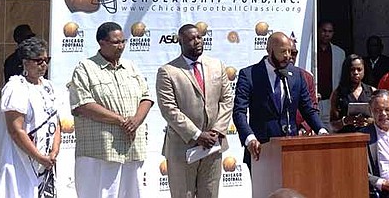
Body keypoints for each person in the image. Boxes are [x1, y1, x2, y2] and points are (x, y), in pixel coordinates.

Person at [68, 22, 154, 198]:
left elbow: (147, 97)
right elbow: (83, 105)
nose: (121, 46)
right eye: (116, 42)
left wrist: (136, 120)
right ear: (101, 42)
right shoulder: (85, 68)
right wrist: (121, 120)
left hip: (132, 149)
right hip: (100, 151)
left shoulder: (130, 67)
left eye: (123, 41)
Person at [156, 24, 234, 198]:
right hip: (182, 148)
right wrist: (197, 135)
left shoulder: (216, 65)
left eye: (199, 37)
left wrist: (216, 131)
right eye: (191, 39)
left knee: (210, 194)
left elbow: (227, 100)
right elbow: (169, 109)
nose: (197, 41)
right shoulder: (168, 72)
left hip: (213, 146)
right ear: (180, 41)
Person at [233, 32, 328, 170]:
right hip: (261, 149)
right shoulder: (249, 75)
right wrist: (250, 138)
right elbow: (239, 112)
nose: (288, 56)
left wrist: (321, 130)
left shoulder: (296, 75)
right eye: (283, 51)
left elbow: (308, 109)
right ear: (270, 50)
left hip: (291, 149)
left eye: (290, 51)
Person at [0, 37, 61, 198]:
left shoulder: (48, 86)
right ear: (25, 62)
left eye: (46, 60)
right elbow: (16, 130)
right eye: (38, 61)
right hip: (20, 157)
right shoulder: (16, 88)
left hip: (46, 158)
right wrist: (38, 156)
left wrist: (54, 152)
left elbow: (56, 122)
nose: (43, 65)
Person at [329, 54, 376, 133]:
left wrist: (368, 121)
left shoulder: (372, 91)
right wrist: (345, 121)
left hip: (368, 137)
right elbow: (332, 125)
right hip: (346, 137)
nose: (356, 73)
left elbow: (380, 120)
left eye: (359, 69)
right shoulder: (338, 93)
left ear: (364, 70)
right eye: (352, 69)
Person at [316, 21, 345, 127]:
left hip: (330, 102)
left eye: (330, 31)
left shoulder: (340, 53)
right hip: (314, 101)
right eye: (324, 31)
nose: (326, 34)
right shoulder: (310, 51)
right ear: (318, 30)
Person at [289, 38, 318, 135]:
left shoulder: (306, 77)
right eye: (287, 52)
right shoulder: (270, 77)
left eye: (294, 53)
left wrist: (304, 127)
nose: (290, 57)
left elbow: (312, 106)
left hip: (301, 134)